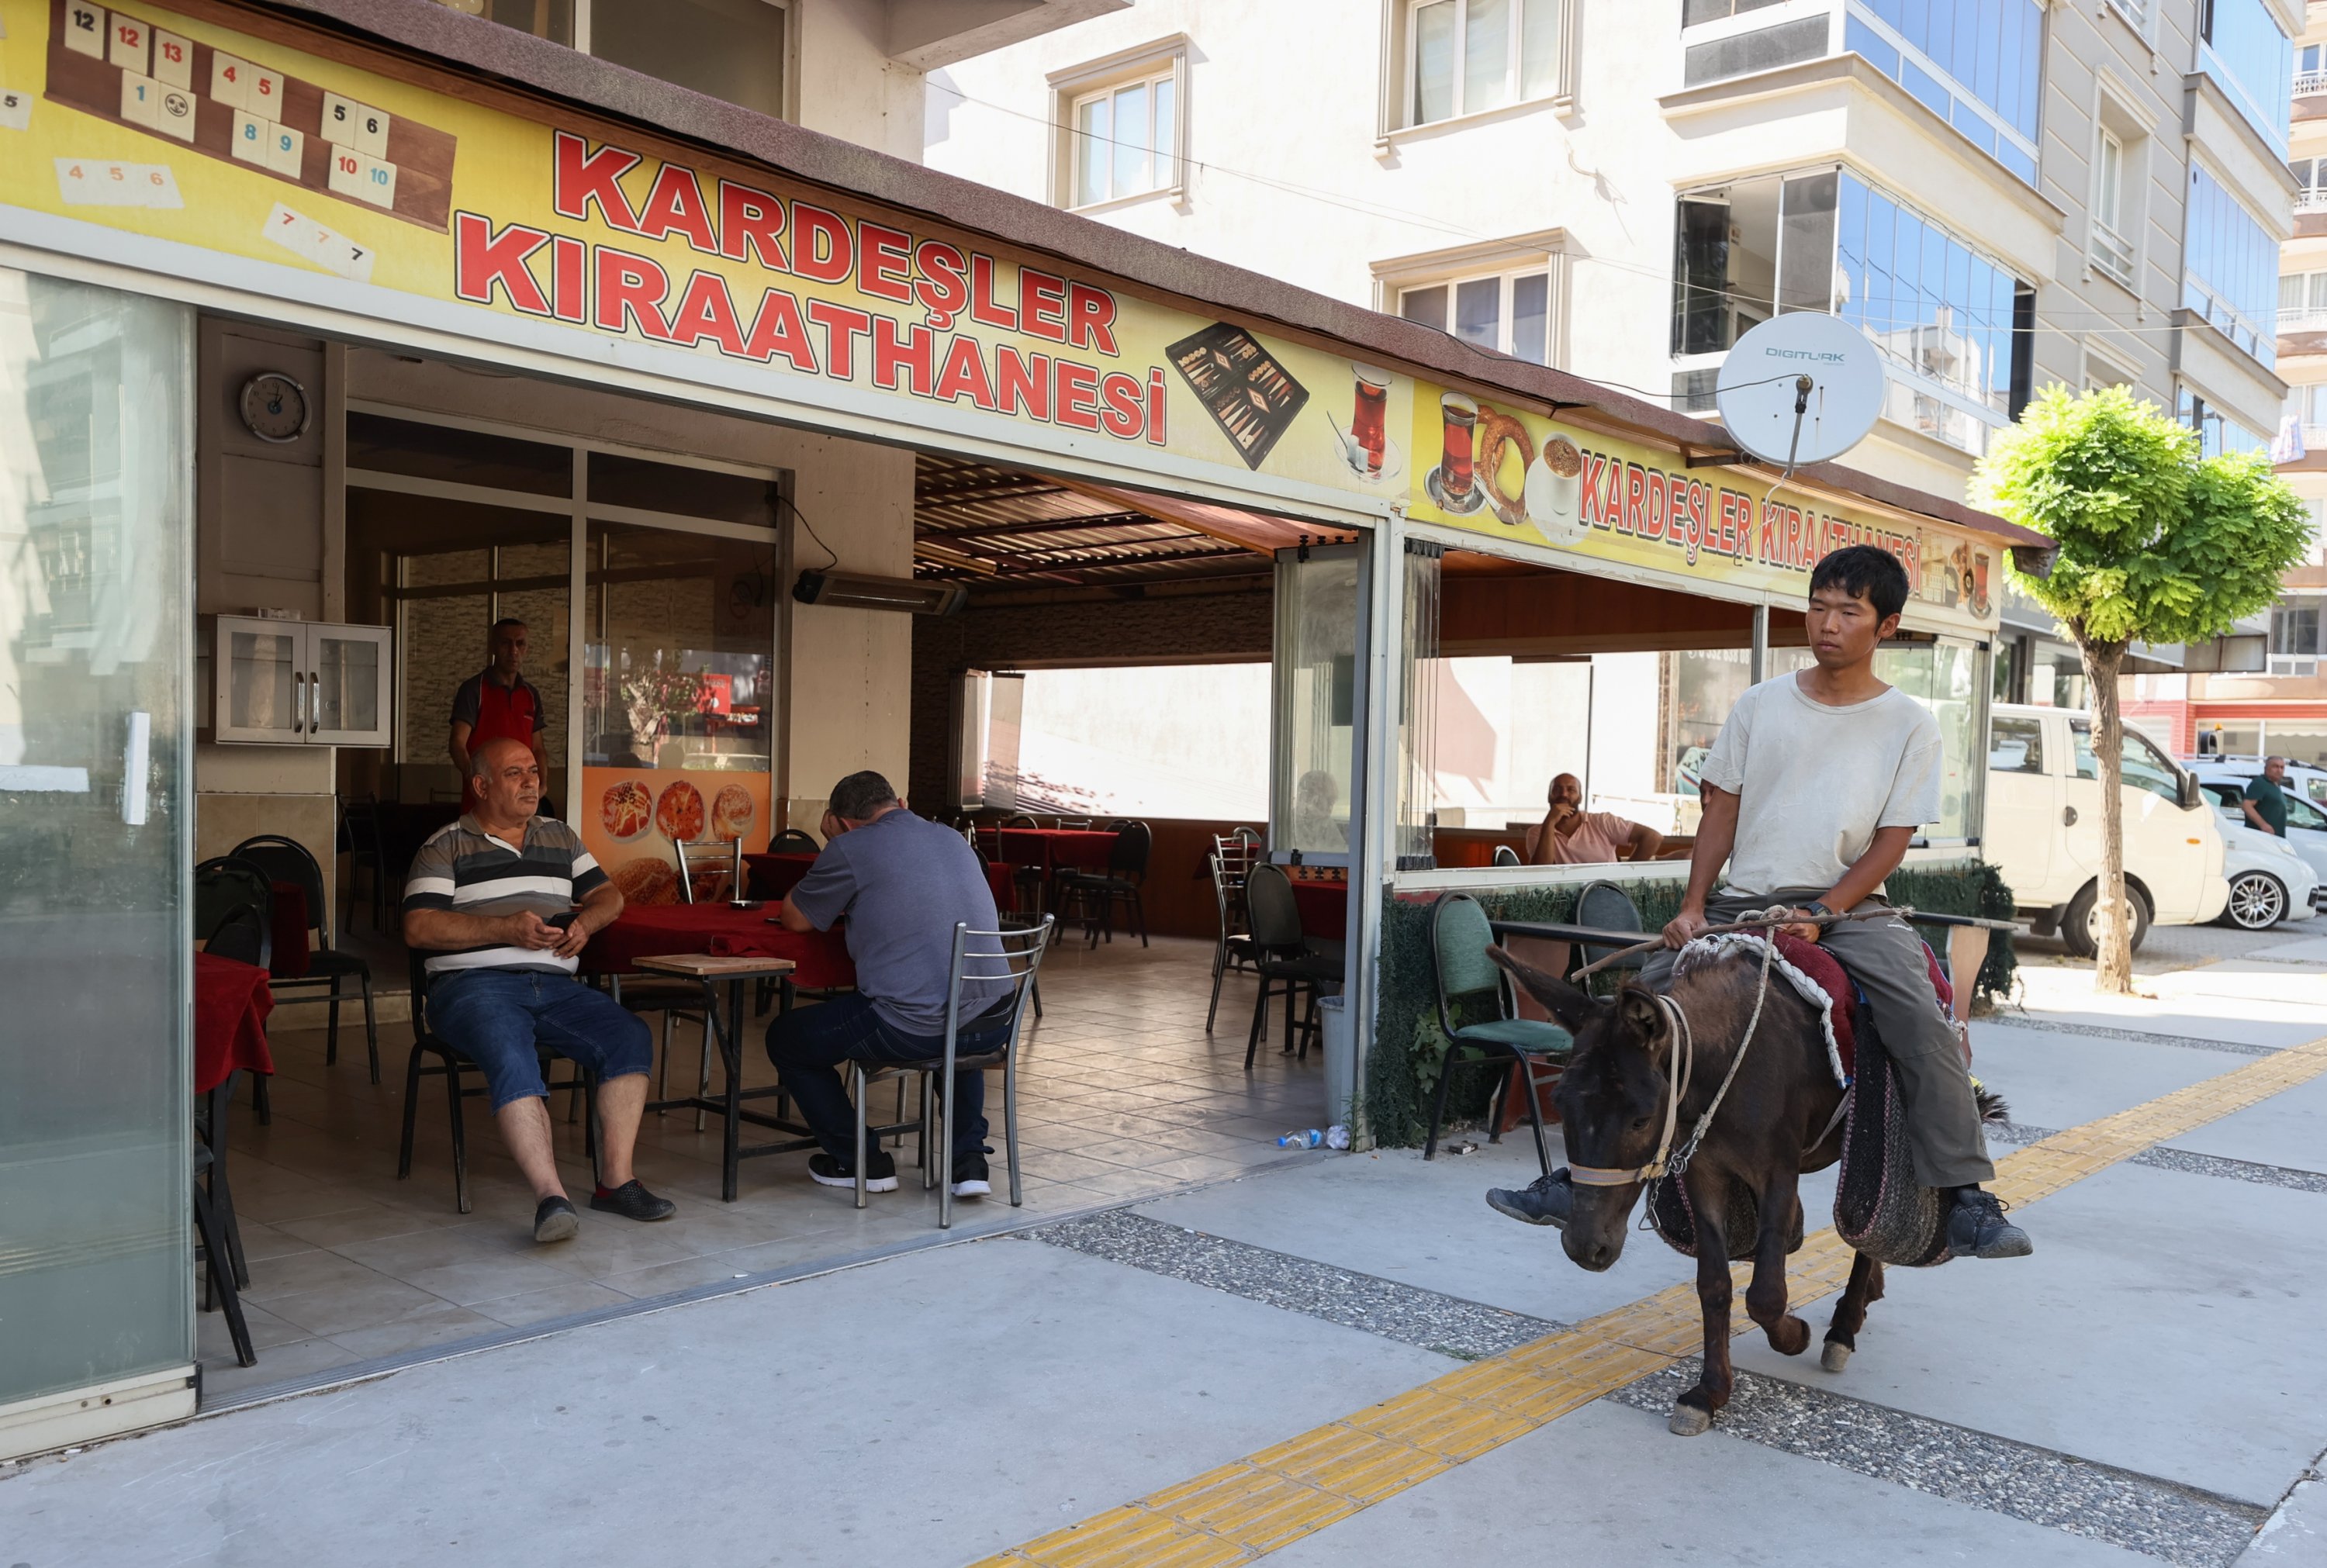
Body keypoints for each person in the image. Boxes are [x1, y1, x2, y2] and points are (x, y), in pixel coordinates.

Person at [1487, 544, 2031, 1260]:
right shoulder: (1759, 704)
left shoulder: (1910, 725)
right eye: (1817, 606)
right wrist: (1693, 905)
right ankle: (1574, 1180)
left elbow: (1891, 843)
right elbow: (1721, 814)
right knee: (1622, 1021)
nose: (1827, 624)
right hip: (1741, 903)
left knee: (1917, 1016)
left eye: (1849, 611)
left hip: (1850, 911)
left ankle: (1965, 1196)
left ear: (1887, 626)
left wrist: (1826, 910)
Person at [403, 736, 676, 1242]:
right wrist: (503, 929)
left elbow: (609, 895)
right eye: (515, 773)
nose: (532, 781)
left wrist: (587, 924)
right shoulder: (446, 845)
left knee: (628, 1037)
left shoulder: (559, 837)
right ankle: (551, 1197)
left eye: (533, 771)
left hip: (553, 985)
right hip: (471, 986)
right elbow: (419, 928)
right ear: (481, 785)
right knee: (511, 1051)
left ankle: (616, 1182)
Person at [765, 771, 1015, 1197]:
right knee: (956, 1017)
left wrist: (834, 844)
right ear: (899, 802)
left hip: (912, 1028)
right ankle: (968, 1162)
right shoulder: (954, 838)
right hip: (996, 1016)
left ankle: (862, 1160)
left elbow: (795, 917)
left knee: (787, 1039)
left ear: (840, 822)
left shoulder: (850, 845)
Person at [449, 617, 548, 781]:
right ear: (492, 646)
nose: (513, 651)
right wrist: (476, 781)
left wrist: (542, 784)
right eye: (505, 643)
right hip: (484, 799)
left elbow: (538, 748)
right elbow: (457, 744)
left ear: (527, 648)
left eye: (520, 643)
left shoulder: (531, 694)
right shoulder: (474, 689)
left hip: (522, 795)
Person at [1525, 772, 1663, 865]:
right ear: (1549, 797)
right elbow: (1540, 872)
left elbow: (1653, 837)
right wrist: (1549, 823)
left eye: (1571, 790)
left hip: (1606, 894)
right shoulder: (1537, 833)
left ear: (1580, 798)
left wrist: (1625, 876)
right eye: (1557, 790)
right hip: (1565, 900)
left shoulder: (1602, 822)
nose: (1564, 795)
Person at [2242, 755, 2291, 838]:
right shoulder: (2260, 783)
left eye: (2282, 768)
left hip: (2275, 838)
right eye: (2275, 767)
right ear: (2266, 768)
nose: (2279, 770)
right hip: (2261, 838)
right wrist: (2263, 825)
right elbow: (2247, 806)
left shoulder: (2275, 786)